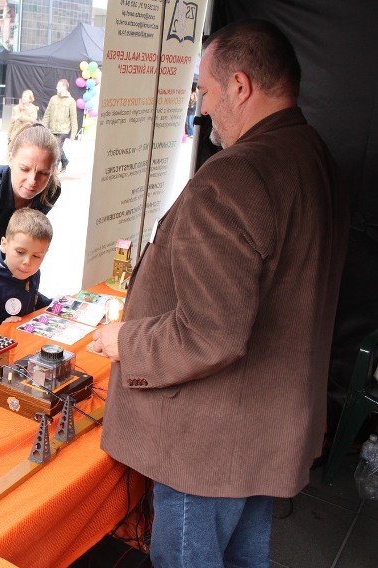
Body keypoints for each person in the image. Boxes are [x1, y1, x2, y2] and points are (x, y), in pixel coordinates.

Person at [88, 19, 349, 567]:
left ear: (240, 84)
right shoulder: (313, 155)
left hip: (206, 445)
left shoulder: (233, 177)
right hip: (261, 429)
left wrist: (124, 341)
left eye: (205, 90)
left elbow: (209, 333)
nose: (202, 109)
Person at [0, 121, 61, 251]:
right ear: (10, 159)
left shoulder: (52, 190)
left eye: (43, 173)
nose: (32, 181)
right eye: (24, 169)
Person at [0, 208, 52, 325]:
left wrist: (53, 304)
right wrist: (1, 327)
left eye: (36, 256)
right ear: (4, 245)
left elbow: (32, 296)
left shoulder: (33, 272)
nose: (27, 262)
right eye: (20, 252)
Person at [42, 79, 77, 172]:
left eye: (59, 86)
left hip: (63, 130)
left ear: (65, 87)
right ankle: (65, 161)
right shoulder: (53, 99)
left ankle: (54, 170)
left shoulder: (71, 101)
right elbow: (47, 114)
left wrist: (73, 133)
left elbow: (73, 118)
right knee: (56, 147)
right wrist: (43, 126)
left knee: (56, 149)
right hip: (53, 129)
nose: (56, 88)